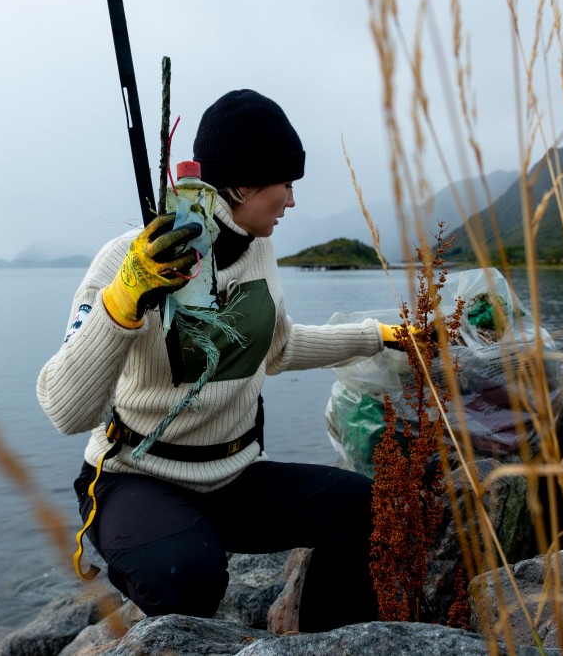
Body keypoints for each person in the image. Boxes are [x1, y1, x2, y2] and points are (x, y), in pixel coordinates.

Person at [37, 89, 417, 632]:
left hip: (232, 478)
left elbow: (277, 348)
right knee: (186, 575)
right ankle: (153, 568)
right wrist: (122, 302)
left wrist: (380, 335)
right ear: (242, 183)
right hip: (134, 476)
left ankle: (320, 641)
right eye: (285, 183)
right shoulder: (130, 259)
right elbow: (64, 409)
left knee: (367, 505)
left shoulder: (257, 245)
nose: (290, 201)